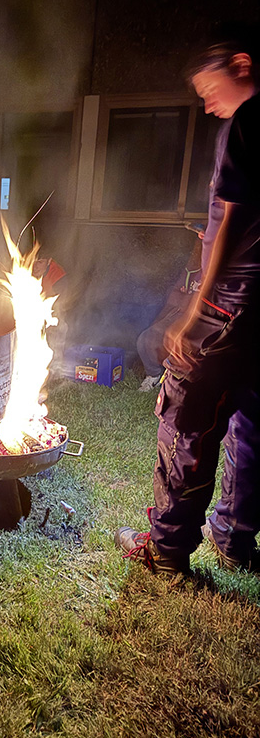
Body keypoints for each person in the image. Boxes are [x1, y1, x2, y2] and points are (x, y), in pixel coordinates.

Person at [115, 40, 260, 575]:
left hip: (232, 306)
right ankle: (236, 538)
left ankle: (166, 551)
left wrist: (198, 306)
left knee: (185, 419)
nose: (206, 105)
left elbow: (238, 216)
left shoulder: (246, 122)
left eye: (207, 89)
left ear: (240, 65)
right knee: (252, 424)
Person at [136, 227, 204, 392]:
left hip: (203, 323)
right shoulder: (190, 269)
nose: (199, 244)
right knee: (146, 338)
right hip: (180, 317)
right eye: (198, 239)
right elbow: (174, 301)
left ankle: (179, 382)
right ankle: (154, 376)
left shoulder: (215, 266)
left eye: (203, 238)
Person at [32, 251, 68, 377]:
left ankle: (55, 370)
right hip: (30, 312)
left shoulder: (58, 276)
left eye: (40, 262)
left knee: (60, 328)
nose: (35, 266)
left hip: (51, 314)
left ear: (48, 261)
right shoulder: (24, 268)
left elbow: (61, 305)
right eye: (33, 261)